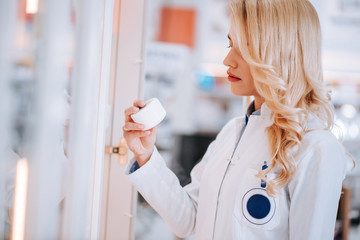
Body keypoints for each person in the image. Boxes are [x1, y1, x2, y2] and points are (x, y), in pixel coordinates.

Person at [122, 0, 353, 239]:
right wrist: (146, 155)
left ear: (281, 53)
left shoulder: (316, 148)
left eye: (244, 48)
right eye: (230, 44)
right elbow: (190, 220)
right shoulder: (231, 132)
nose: (227, 60)